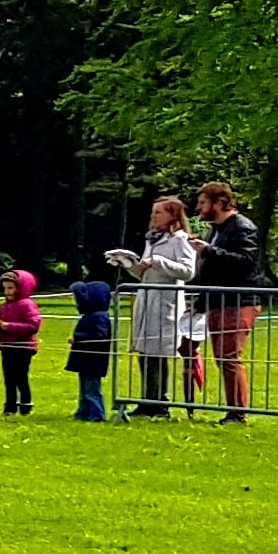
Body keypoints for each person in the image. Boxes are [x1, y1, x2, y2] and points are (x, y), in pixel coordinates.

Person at [109, 198, 197, 417]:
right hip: (147, 300)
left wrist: (158, 261)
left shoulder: (180, 240)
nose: (153, 217)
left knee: (158, 352)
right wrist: (128, 263)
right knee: (145, 352)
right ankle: (148, 400)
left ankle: (160, 403)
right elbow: (144, 273)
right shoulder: (152, 239)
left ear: (173, 215)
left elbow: (188, 271)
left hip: (165, 302)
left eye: (158, 213)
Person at [192, 180, 264, 423]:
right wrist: (201, 300)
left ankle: (238, 412)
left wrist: (210, 251)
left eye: (203, 202)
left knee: (230, 356)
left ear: (220, 202)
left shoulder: (243, 228)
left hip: (239, 300)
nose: (199, 208)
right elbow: (211, 271)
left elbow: (245, 261)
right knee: (223, 357)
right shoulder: (215, 229)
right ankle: (234, 410)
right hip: (217, 301)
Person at [0, 269, 42, 415]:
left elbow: (33, 326)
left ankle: (26, 405)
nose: (7, 292)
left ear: (21, 288)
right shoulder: (4, 306)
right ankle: (10, 407)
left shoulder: (27, 305)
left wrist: (8, 326)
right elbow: (2, 325)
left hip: (23, 348)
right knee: (9, 379)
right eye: (5, 288)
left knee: (21, 377)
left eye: (11, 288)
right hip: (7, 347)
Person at [66, 270, 115, 423]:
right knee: (84, 388)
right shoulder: (90, 316)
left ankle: (97, 414)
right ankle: (83, 411)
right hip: (85, 359)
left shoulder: (99, 317)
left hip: (93, 359)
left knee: (93, 388)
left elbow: (99, 336)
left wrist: (79, 339)